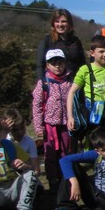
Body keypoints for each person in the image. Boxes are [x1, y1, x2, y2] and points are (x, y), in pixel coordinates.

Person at [67, 35, 105, 144]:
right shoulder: (85, 69)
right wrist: (70, 116)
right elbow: (71, 92)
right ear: (92, 53)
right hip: (93, 117)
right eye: (101, 52)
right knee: (95, 148)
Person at [33, 49, 73, 191]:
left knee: (66, 152)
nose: (57, 66)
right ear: (47, 66)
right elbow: (37, 105)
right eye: (53, 63)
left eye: (60, 62)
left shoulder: (69, 81)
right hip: (50, 125)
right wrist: (39, 126)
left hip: (66, 123)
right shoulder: (43, 83)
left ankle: (66, 178)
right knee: (50, 155)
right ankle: (53, 181)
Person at [0, 118, 38, 210]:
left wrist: (23, 166)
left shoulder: (9, 145)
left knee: (30, 176)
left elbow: (35, 169)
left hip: (12, 187)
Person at [35, 8, 86, 81]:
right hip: (54, 85)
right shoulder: (47, 40)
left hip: (75, 84)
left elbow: (82, 64)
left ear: (69, 23)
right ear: (53, 24)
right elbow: (40, 65)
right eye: (57, 21)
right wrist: (42, 84)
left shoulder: (76, 41)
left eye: (63, 21)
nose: (60, 24)